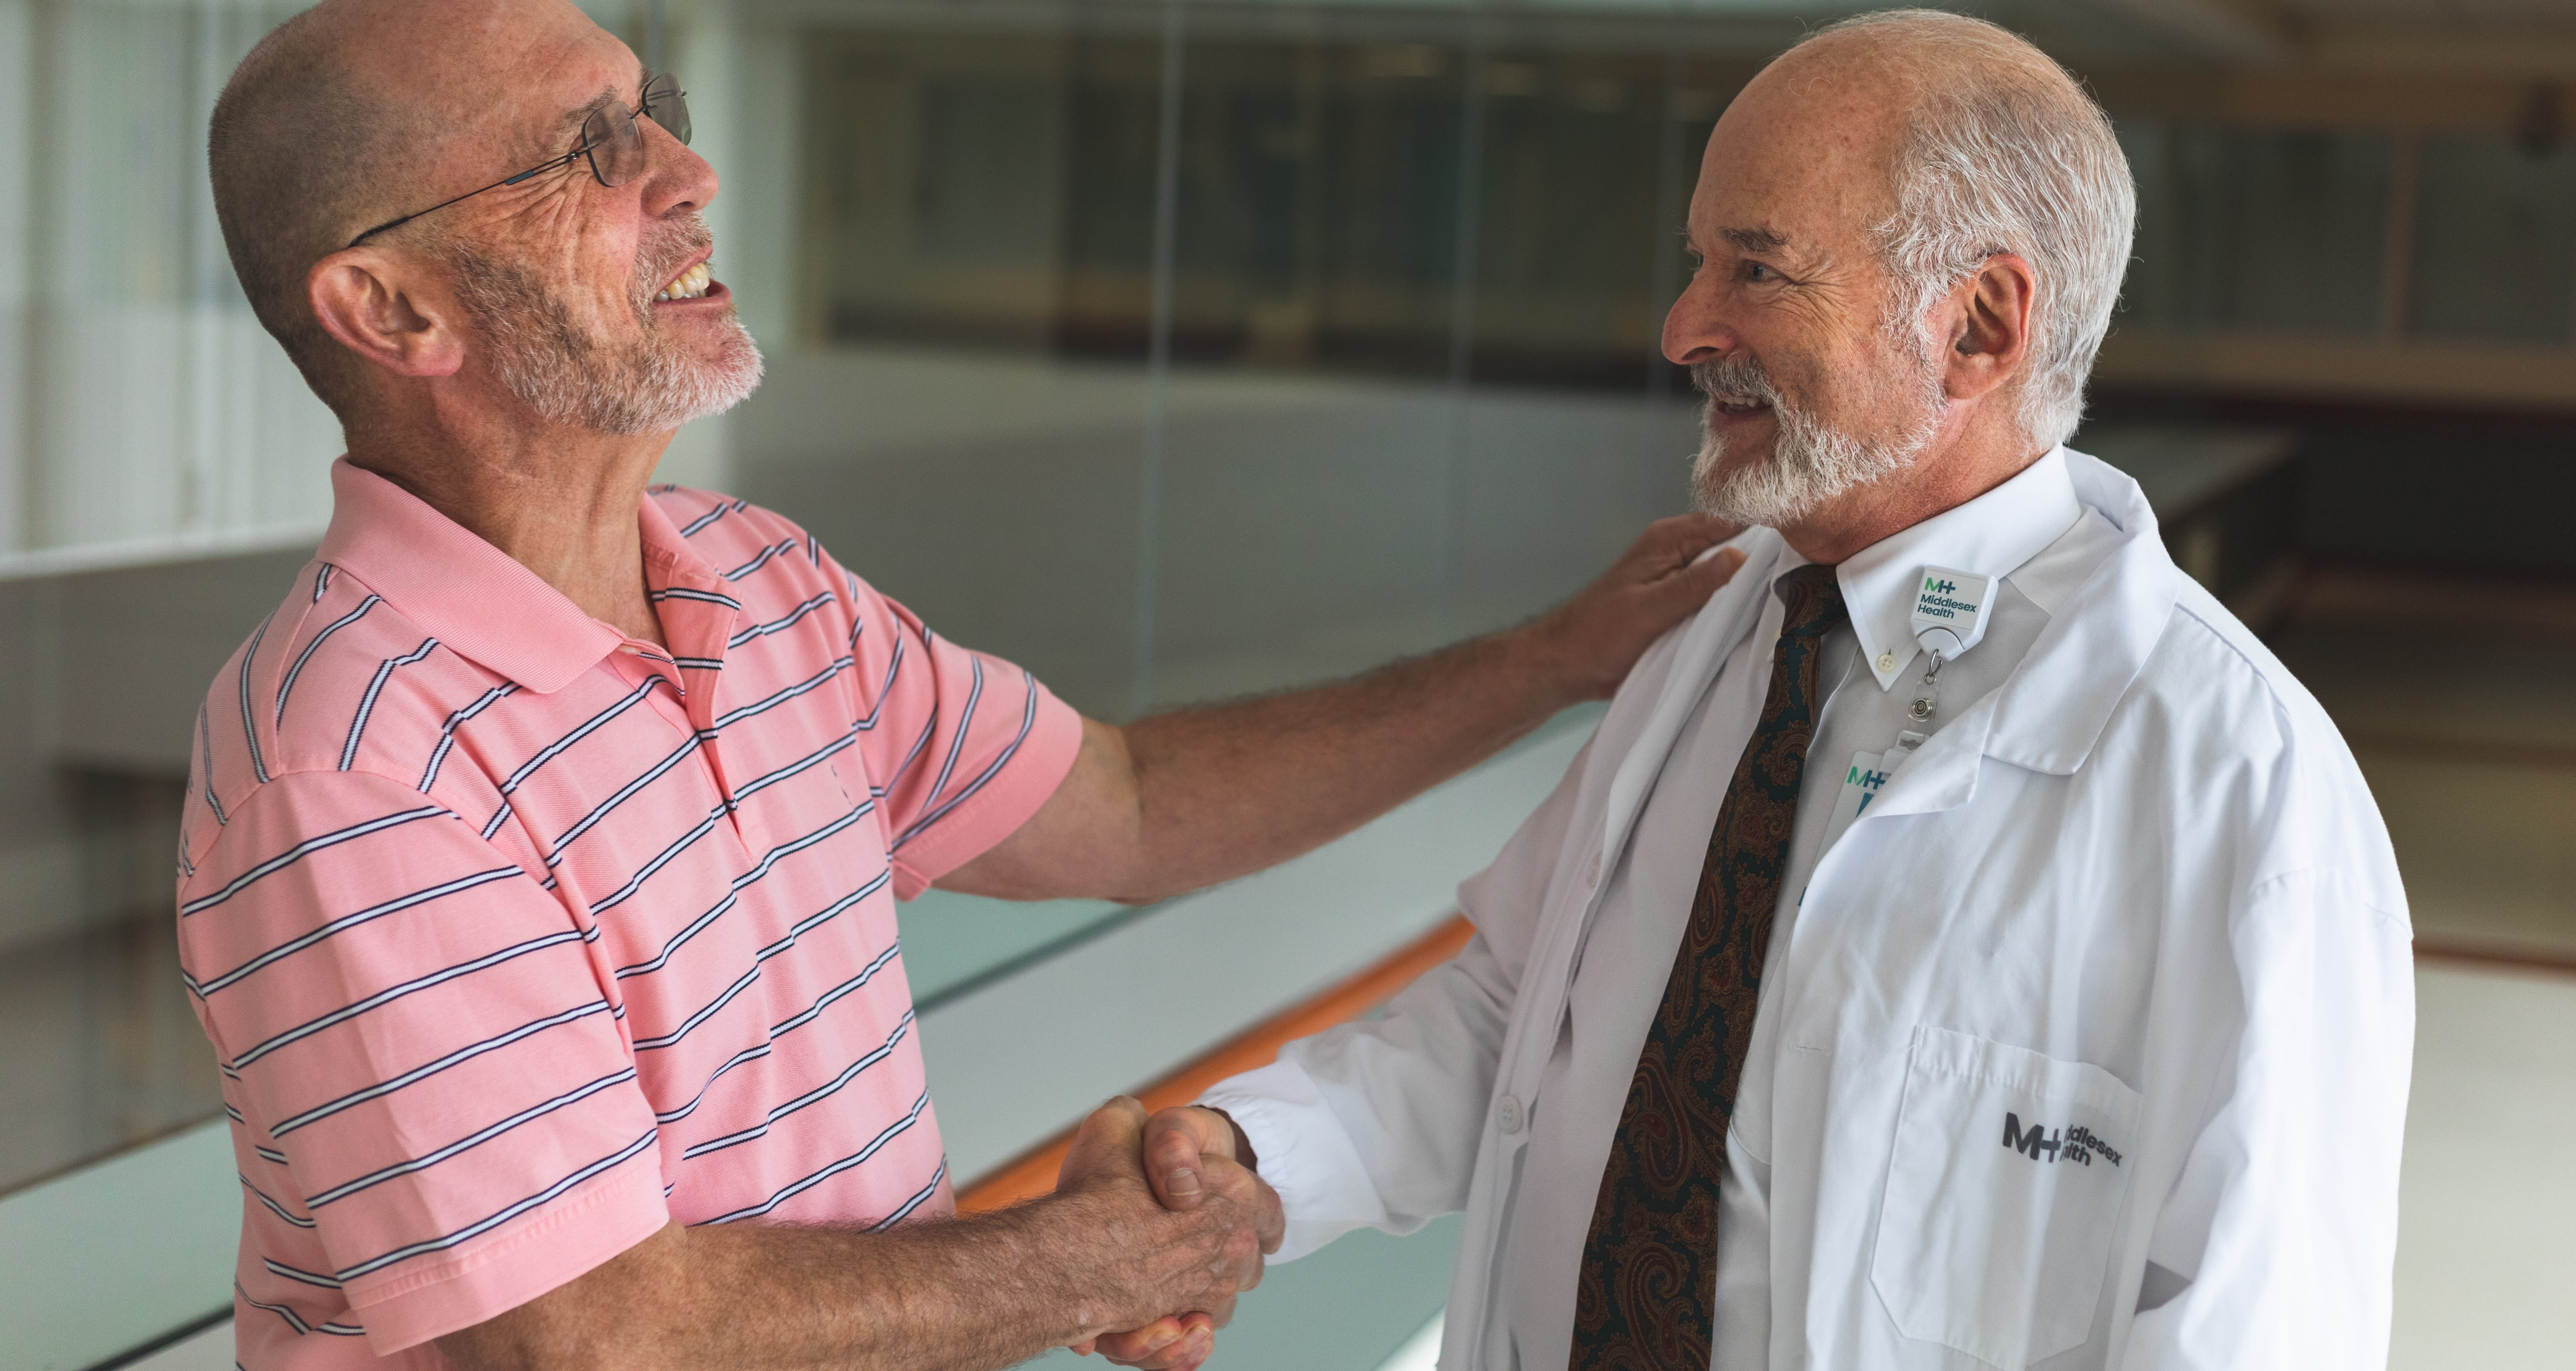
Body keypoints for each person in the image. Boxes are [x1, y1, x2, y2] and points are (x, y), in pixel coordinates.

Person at [177, 2, 1746, 1368]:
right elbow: (597, 1338)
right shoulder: (353, 768)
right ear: (394, 311)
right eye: (586, 151)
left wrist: (1555, 656)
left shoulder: (752, 578)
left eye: (658, 111)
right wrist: (1093, 1262)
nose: (686, 172)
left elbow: (1128, 809)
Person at [1131, 10, 2414, 1371]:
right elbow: (1529, 1013)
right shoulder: (1720, 624)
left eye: (1757, 268)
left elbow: (2259, 1333)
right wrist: (1254, 1155)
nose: (1686, 328)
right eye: (1699, 264)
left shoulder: (2239, 787)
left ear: (1977, 325)